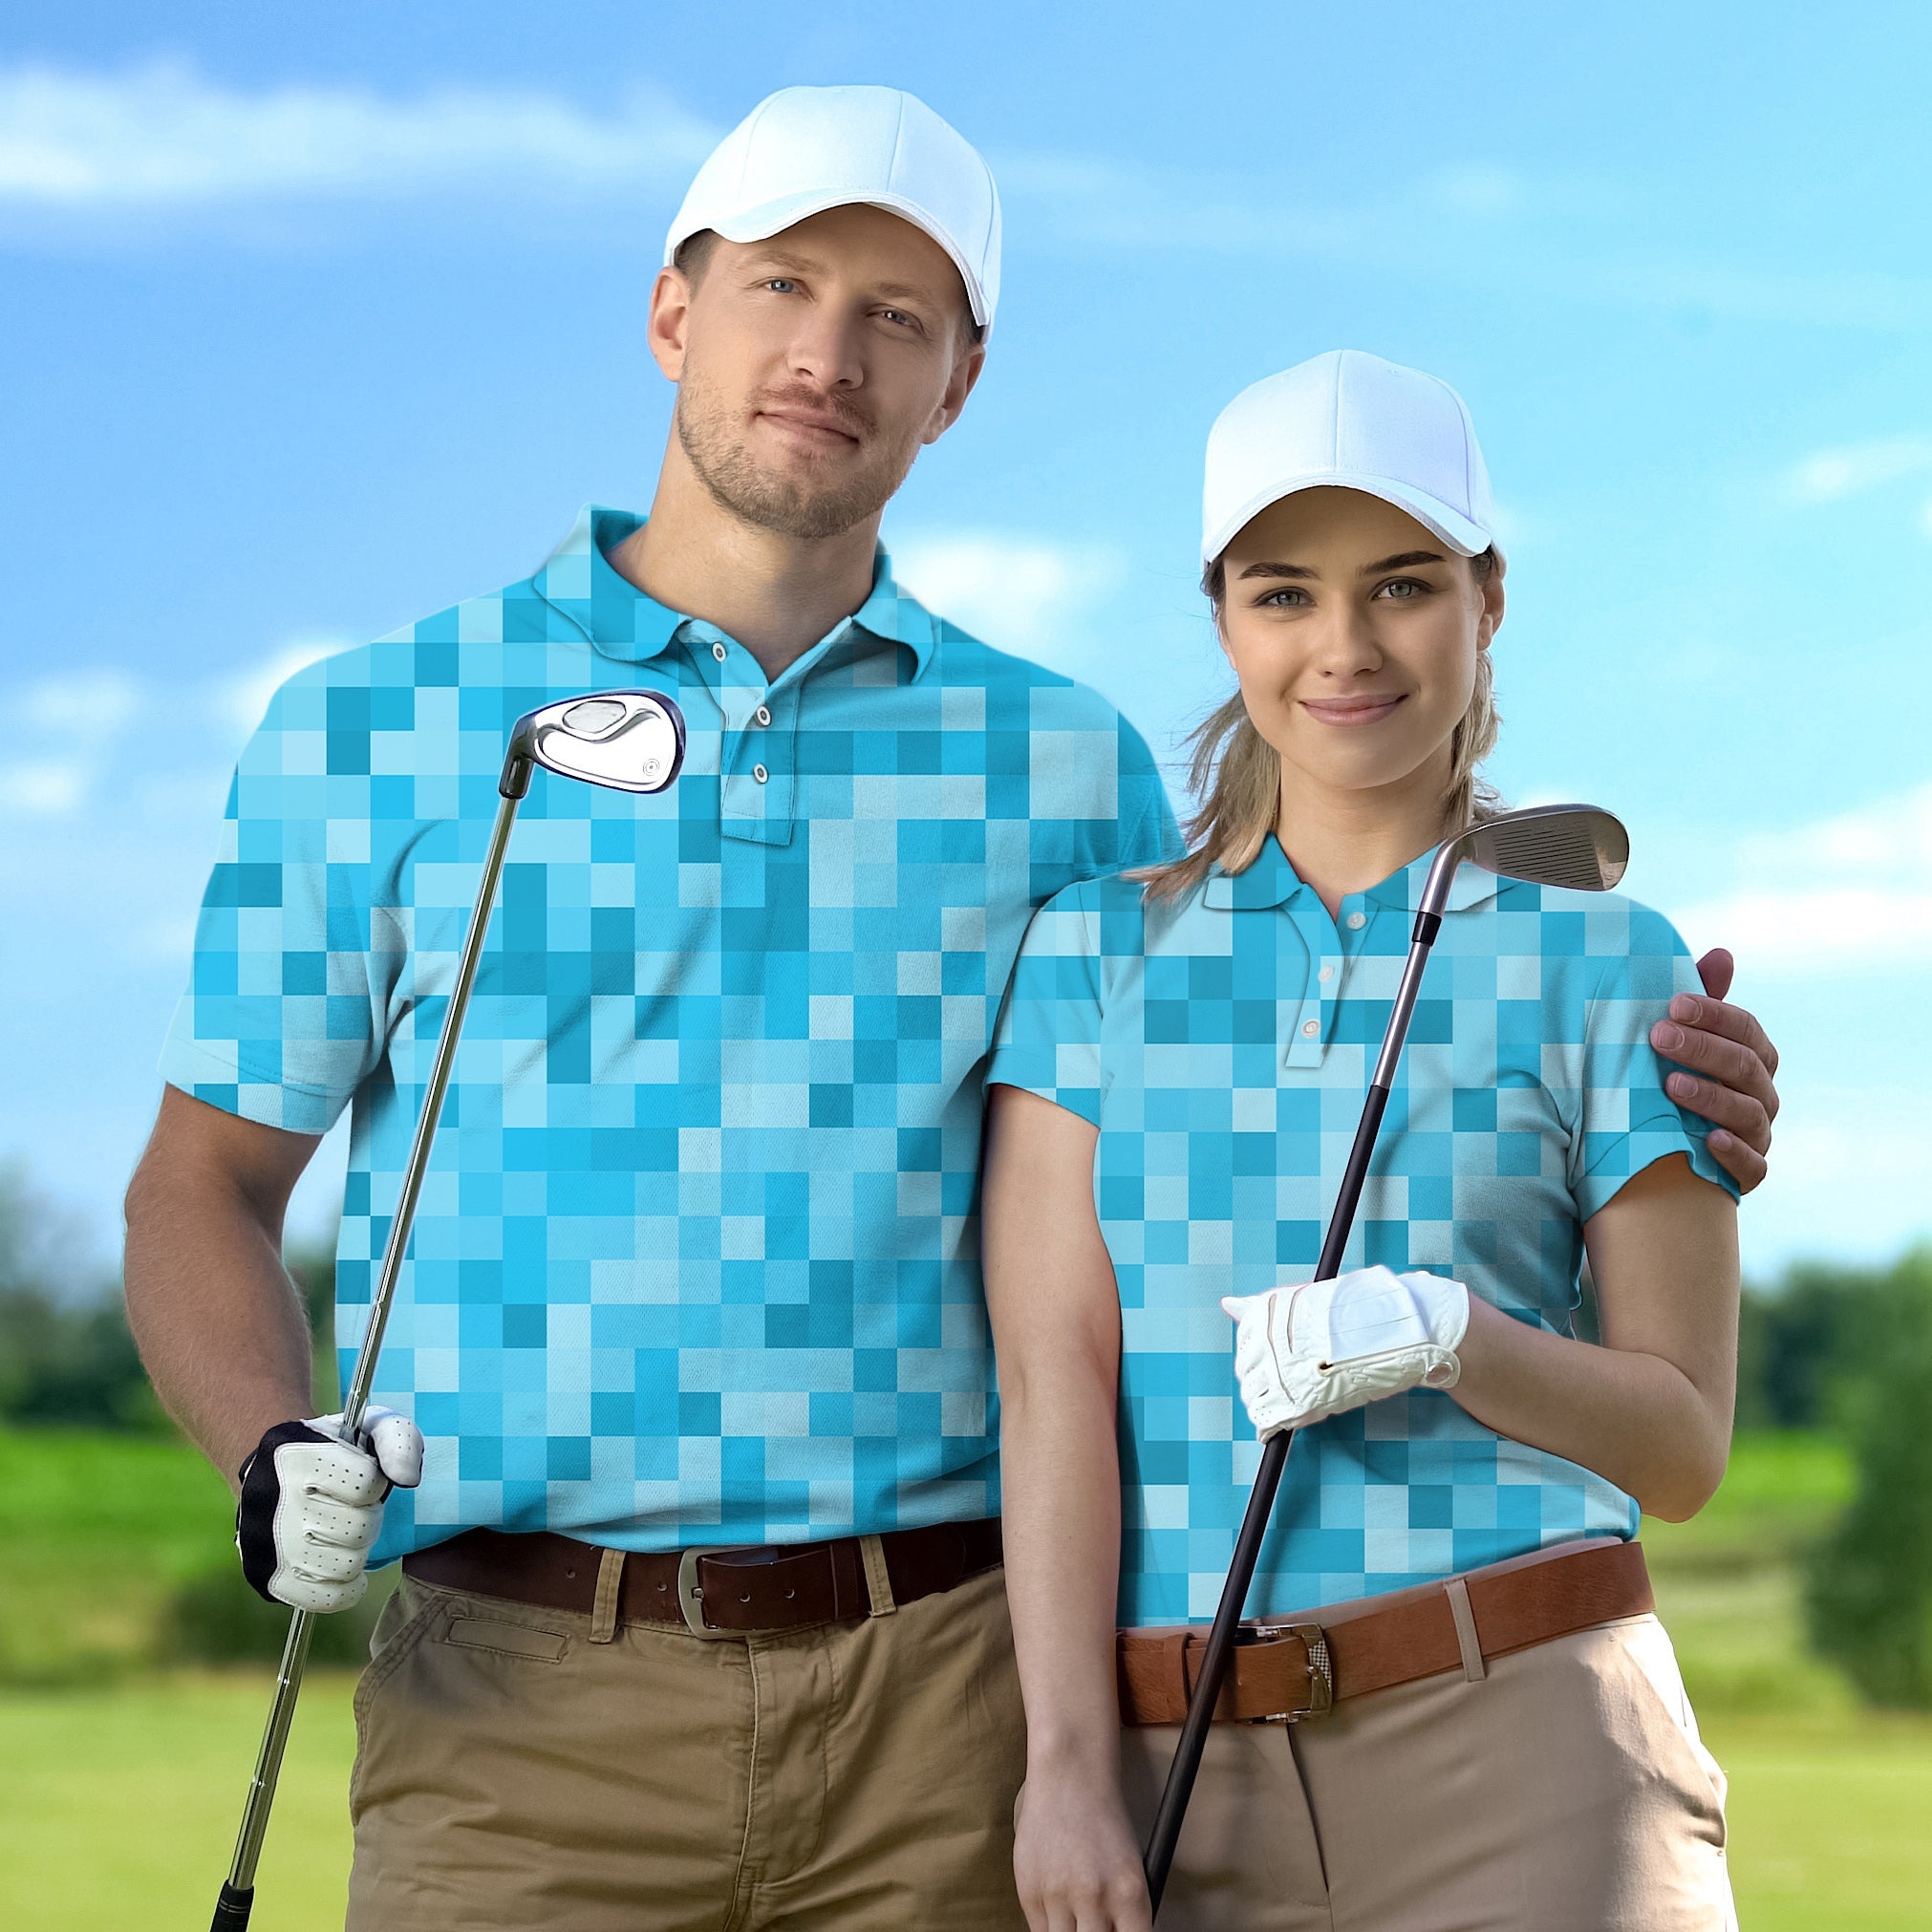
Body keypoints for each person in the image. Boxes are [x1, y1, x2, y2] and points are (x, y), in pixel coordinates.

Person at [118, 83, 1778, 1929]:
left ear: (959, 378)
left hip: (946, 1700)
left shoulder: (1056, 762)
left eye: (894, 316)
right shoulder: (369, 728)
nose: (827, 354)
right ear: (673, 309)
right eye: (780, 286)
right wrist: (271, 1449)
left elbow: (1270, 1007)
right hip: (513, 1706)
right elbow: (200, 1189)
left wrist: (1635, 1056)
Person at [983, 351, 1750, 1930]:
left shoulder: (1608, 959)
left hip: (1531, 1739)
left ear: (1485, 599)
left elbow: (1678, 1448)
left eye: (1400, 584)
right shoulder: (1088, 961)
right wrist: (1062, 1761)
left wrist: (1447, 1335)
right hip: (1178, 1771)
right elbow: (1051, 1381)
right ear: (1220, 617)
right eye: (1283, 594)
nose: (1343, 647)